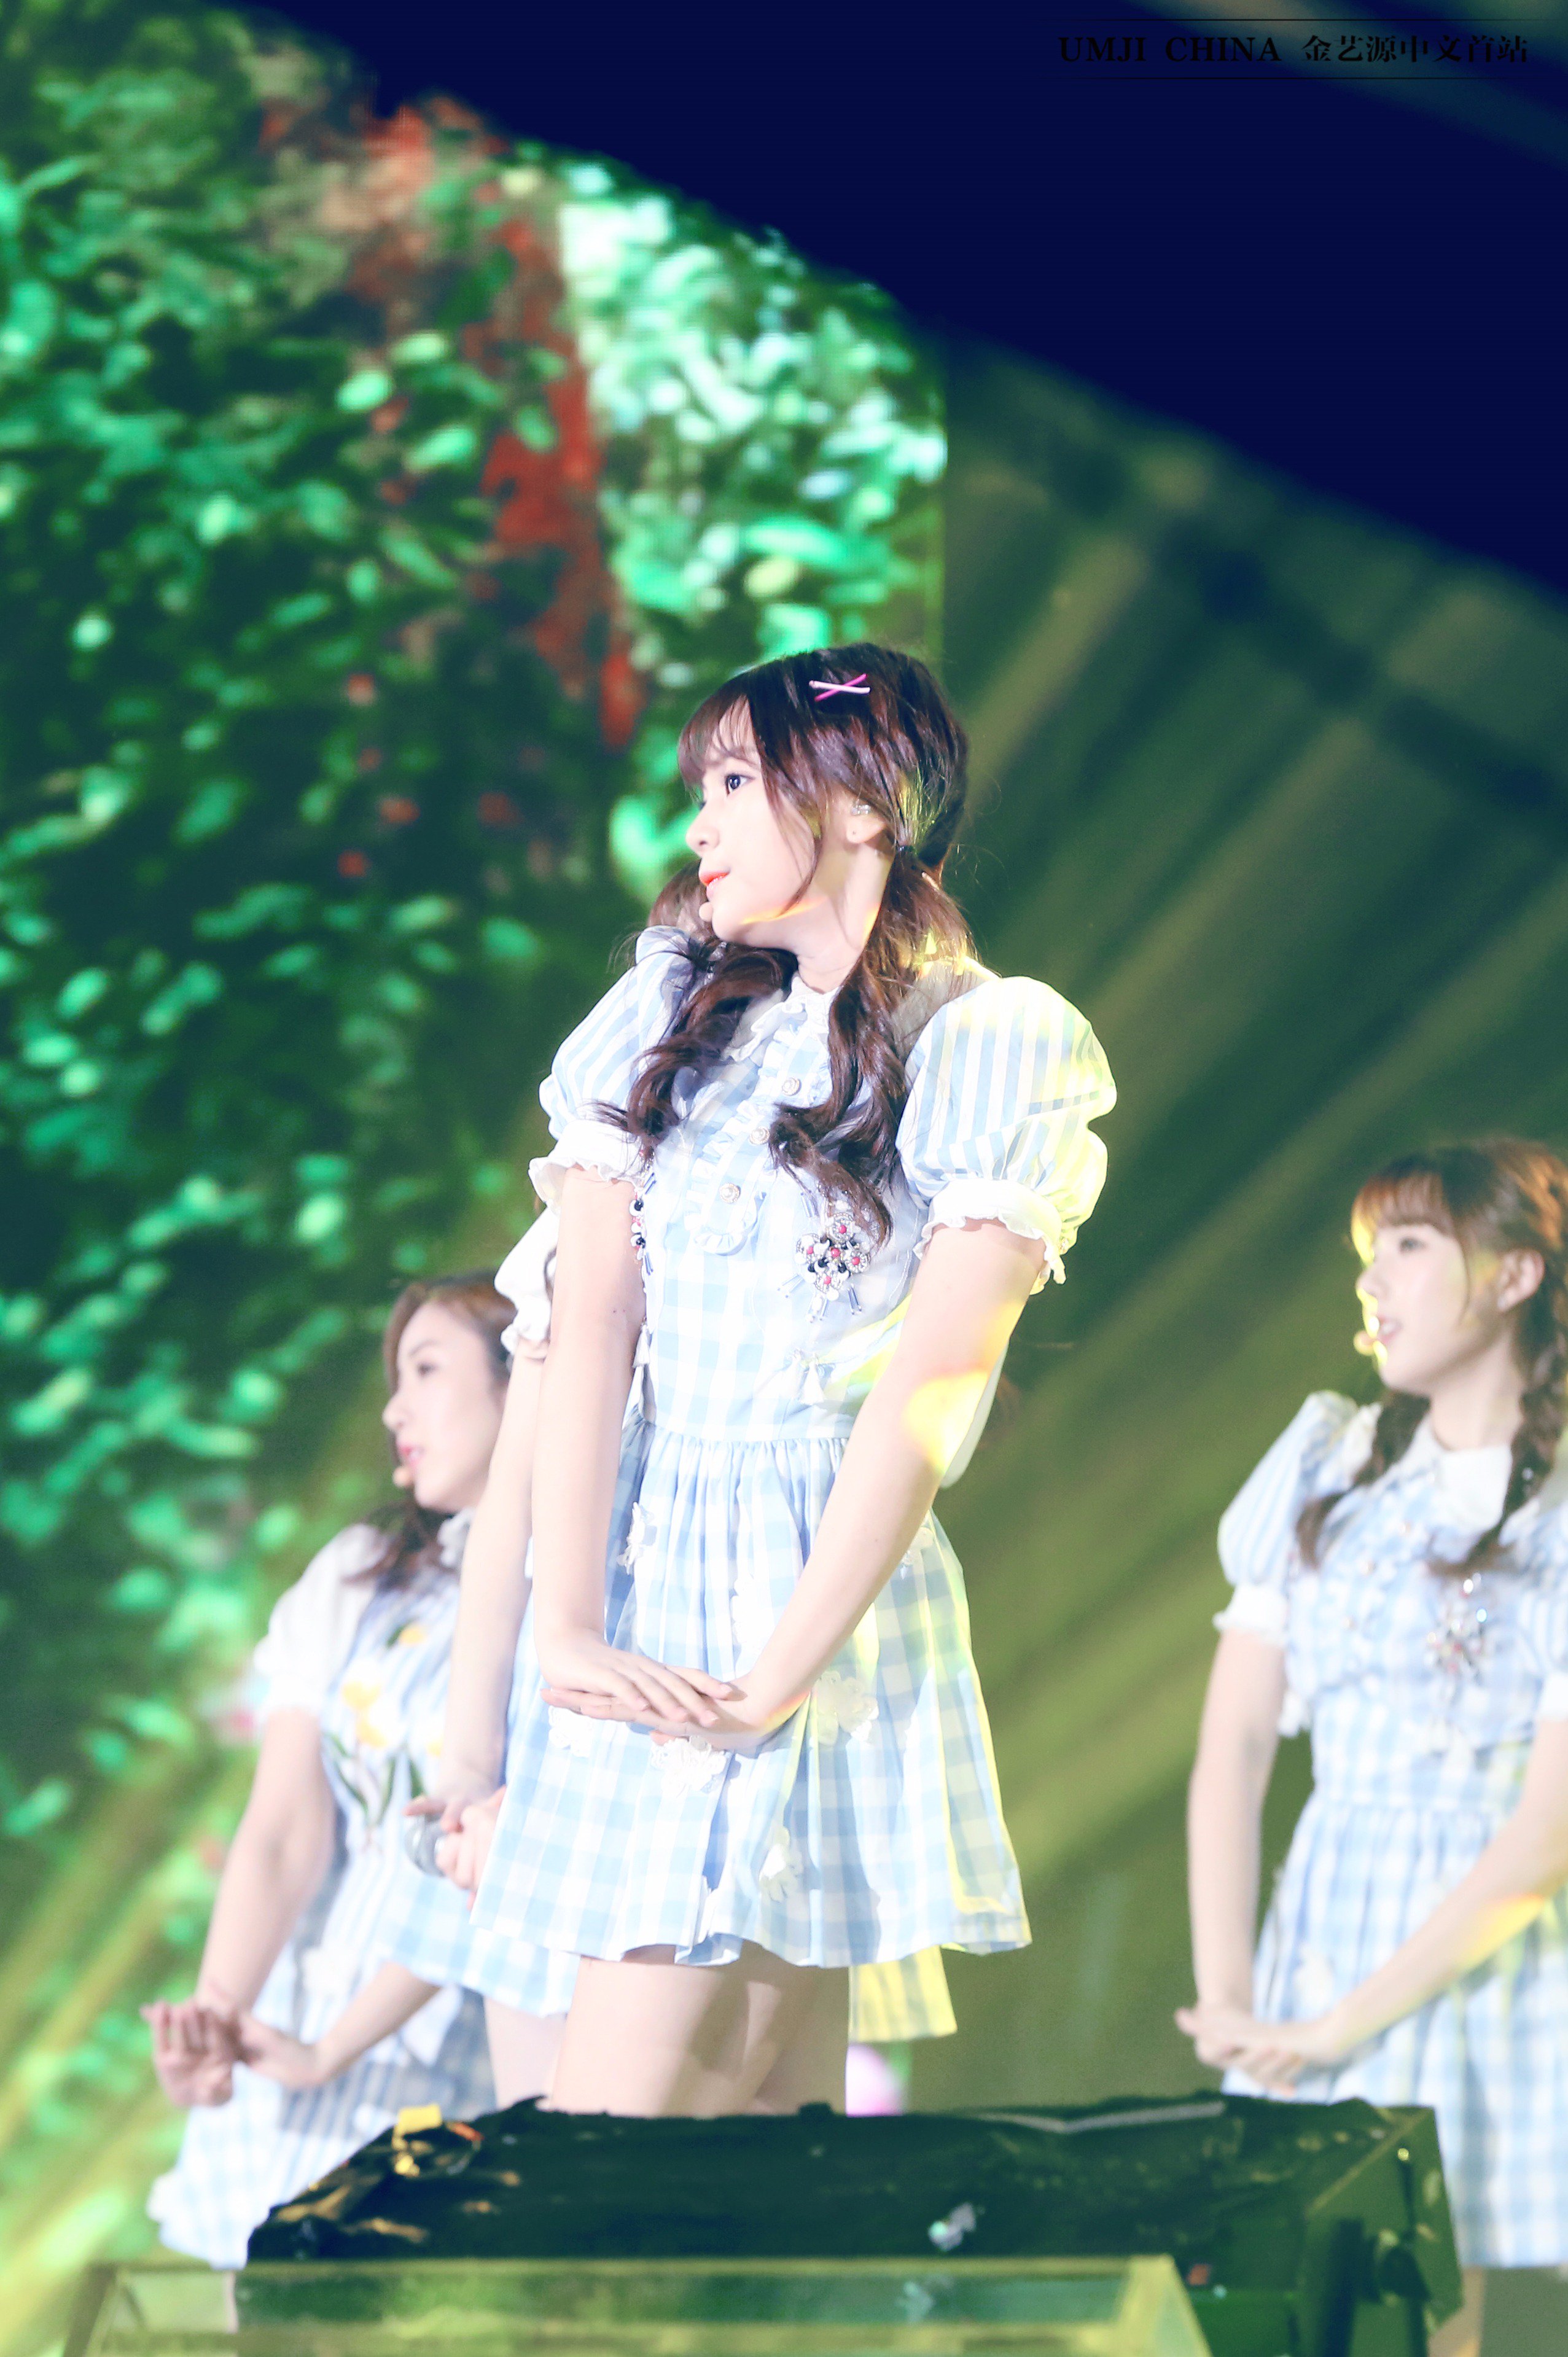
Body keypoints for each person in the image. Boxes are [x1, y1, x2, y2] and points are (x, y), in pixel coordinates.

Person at [445, 641, 1116, 2117]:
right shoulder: (673, 1018)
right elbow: (588, 1325)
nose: (699, 824)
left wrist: (775, 1676)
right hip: (646, 1576)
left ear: (864, 804)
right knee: (730, 2140)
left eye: (735, 782)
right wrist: (565, 1620)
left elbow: (929, 1395)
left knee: (643, 2131)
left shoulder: (987, 1039)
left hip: (805, 1590)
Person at [387, 863, 962, 2104]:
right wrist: (478, 1765)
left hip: (724, 1641)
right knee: (580, 2114)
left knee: (741, 2094)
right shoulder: (607, 1207)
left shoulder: (862, 1112)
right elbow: (515, 1514)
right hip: (591, 1685)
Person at [1180, 1140, 1568, 2357]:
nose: (1371, 1279)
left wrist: (1344, 2023)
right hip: (1317, 1935)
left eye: (1406, 1244)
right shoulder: (1331, 1463)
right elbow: (1234, 1747)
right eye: (1367, 1252)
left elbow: (1544, 1835)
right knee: (1293, 2318)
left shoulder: (1558, 1505)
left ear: (1513, 1273)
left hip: (1470, 1951)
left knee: (1422, 2320)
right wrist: (1230, 1994)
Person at [143, 1273, 510, 2267]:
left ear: (525, 1379)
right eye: (394, 1380)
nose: (396, 1409)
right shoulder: (363, 1571)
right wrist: (217, 2019)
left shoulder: (576, 1594)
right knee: (256, 2302)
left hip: (452, 2041)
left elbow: (486, 1877)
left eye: (426, 1370)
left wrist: (336, 2047)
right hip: (301, 2012)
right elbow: (282, 1830)